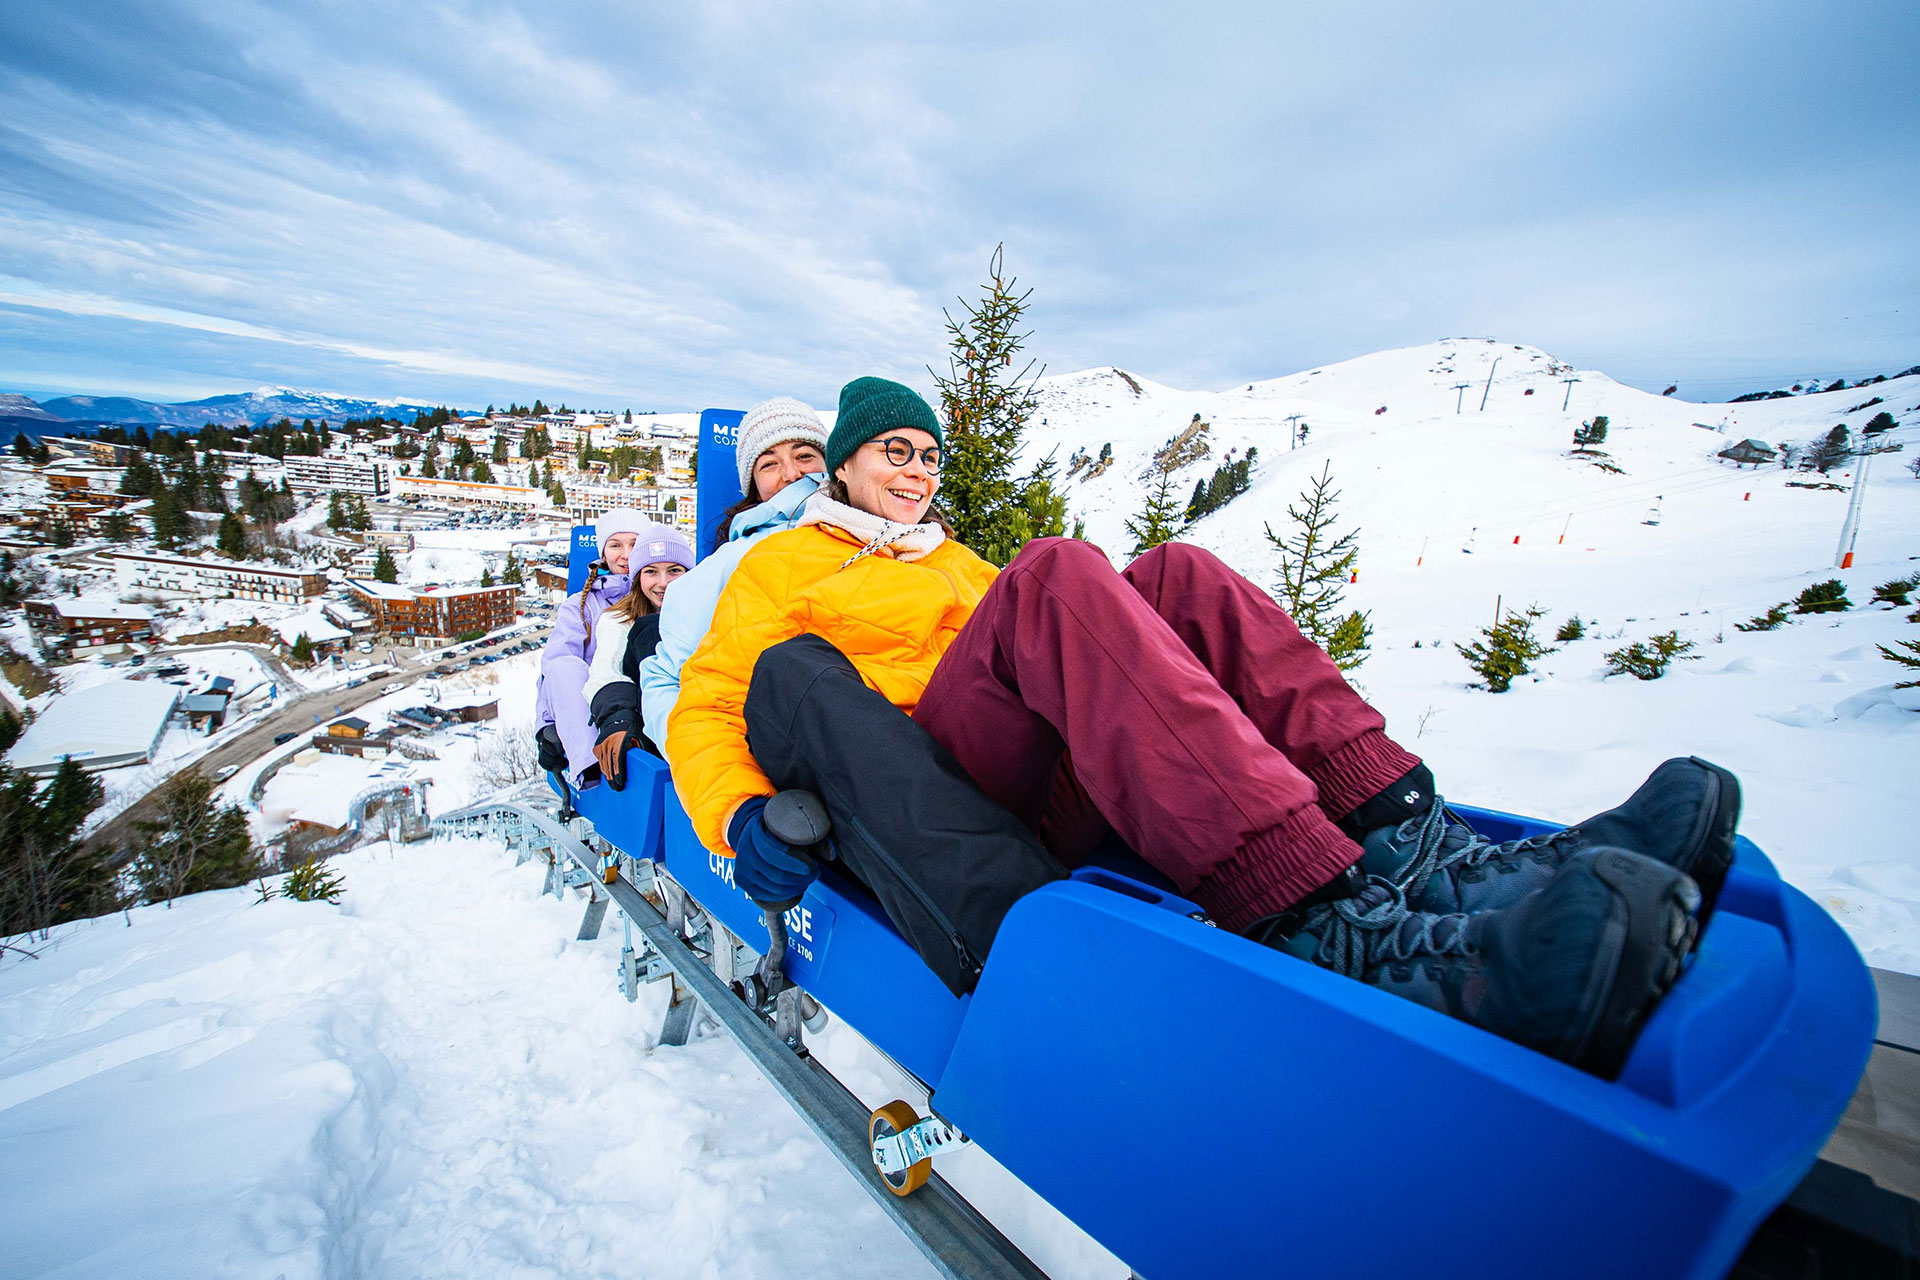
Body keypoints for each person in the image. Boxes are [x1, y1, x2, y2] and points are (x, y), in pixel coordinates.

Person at [667, 376, 1742, 1078]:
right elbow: (713, 700)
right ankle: (1325, 920)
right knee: (1053, 574)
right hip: (912, 781)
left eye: (928, 454)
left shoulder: (958, 563)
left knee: (1173, 573)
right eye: (891, 449)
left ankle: (1420, 852)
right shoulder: (778, 563)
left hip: (1021, 778)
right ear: (845, 463)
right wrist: (741, 810)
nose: (913, 469)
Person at [636, 397, 829, 753]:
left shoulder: (875, 530)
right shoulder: (733, 560)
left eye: (804, 456)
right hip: (771, 744)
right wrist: (703, 757)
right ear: (754, 488)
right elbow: (668, 676)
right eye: (769, 464)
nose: (791, 474)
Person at [534, 507, 645, 787]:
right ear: (603, 552)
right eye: (616, 545)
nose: (626, 554)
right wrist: (545, 726)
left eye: (635, 544)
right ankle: (592, 768)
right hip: (591, 712)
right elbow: (555, 672)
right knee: (564, 664)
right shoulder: (581, 607)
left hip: (637, 704)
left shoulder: (657, 593)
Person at [582, 522, 694, 786]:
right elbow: (605, 670)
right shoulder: (620, 619)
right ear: (637, 578)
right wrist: (617, 716)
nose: (663, 583)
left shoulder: (702, 614)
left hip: (694, 703)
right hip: (648, 713)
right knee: (651, 629)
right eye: (651, 572)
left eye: (674, 571)